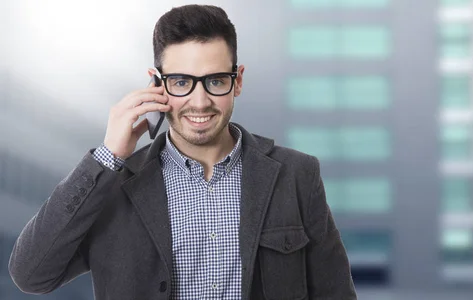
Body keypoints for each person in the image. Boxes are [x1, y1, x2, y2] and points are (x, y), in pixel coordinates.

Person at [8, 4, 356, 300]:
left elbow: (335, 292)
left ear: (238, 80)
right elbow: (31, 274)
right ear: (156, 82)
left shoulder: (296, 174)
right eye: (181, 82)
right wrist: (107, 156)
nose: (200, 101)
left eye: (216, 81)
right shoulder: (113, 185)